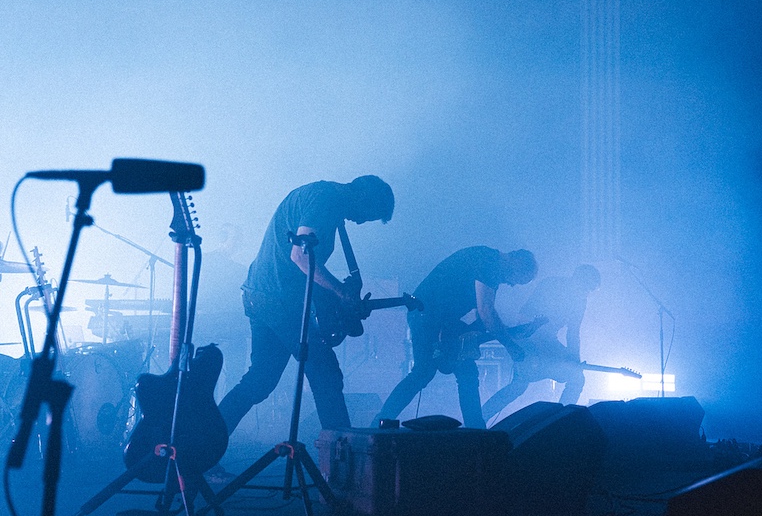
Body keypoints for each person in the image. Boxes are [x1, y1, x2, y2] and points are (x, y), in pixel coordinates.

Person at [217, 176, 394, 437]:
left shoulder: (323, 198)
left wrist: (339, 301)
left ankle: (201, 447)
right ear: (364, 197)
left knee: (260, 380)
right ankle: (341, 459)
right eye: (370, 214)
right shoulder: (326, 200)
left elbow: (307, 272)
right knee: (325, 372)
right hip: (277, 298)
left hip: (263, 295)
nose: (362, 221)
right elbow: (300, 256)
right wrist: (340, 291)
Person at [373, 246, 538, 429]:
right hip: (426, 315)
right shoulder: (489, 263)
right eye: (517, 280)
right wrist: (510, 345)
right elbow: (486, 312)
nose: (512, 285)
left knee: (466, 370)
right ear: (516, 264)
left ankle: (476, 430)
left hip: (441, 320)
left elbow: (480, 316)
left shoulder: (489, 263)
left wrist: (508, 332)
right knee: (424, 372)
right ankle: (378, 424)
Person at [481, 264, 601, 423]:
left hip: (549, 343)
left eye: (589, 290)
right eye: (587, 287)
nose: (586, 293)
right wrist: (531, 348)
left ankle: (560, 422)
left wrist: (575, 360)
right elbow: (524, 315)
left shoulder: (580, 301)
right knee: (518, 386)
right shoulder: (551, 285)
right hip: (529, 341)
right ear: (579, 279)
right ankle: (478, 419)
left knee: (576, 377)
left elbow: (573, 333)